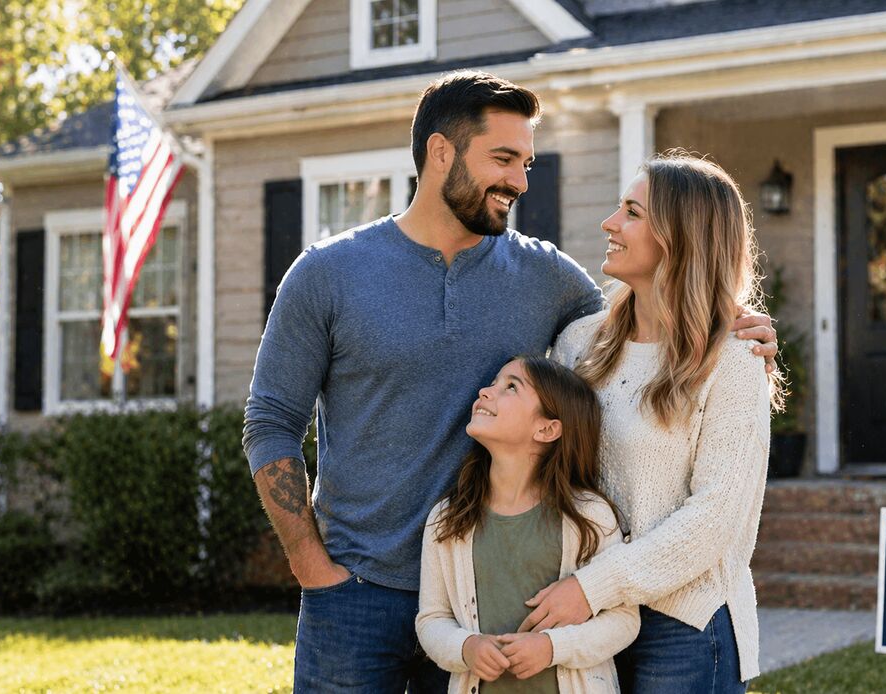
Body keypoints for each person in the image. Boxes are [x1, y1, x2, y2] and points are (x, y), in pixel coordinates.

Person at [242, 72, 778, 692]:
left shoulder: (547, 278)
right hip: (360, 594)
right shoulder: (328, 273)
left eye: (526, 162)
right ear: (440, 152)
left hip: (500, 594)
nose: (520, 182)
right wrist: (313, 568)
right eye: (503, 159)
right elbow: (270, 422)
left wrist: (736, 326)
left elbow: (653, 324)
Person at [520, 152, 777, 692]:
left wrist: (593, 588)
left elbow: (711, 521)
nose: (609, 224)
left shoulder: (733, 361)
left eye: (632, 212)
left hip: (684, 623)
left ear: (681, 237)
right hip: (588, 615)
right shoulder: (579, 345)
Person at [416, 355, 639, 693]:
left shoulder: (589, 517)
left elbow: (623, 620)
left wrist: (552, 648)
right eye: (493, 383)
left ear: (547, 428)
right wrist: (466, 648)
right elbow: (431, 619)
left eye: (510, 387)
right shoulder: (448, 520)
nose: (485, 392)